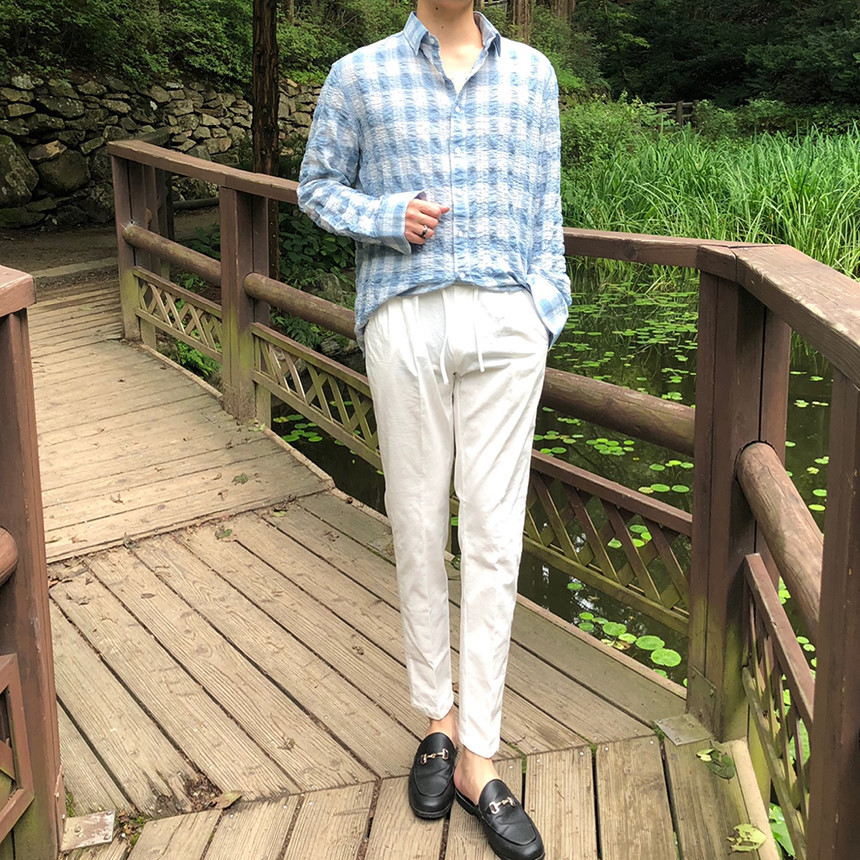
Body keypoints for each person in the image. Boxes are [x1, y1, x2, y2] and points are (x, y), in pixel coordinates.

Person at [298, 2, 570, 858]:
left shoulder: (532, 75)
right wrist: (387, 217)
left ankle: (479, 754)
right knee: (416, 522)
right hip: (405, 315)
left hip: (507, 320)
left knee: (494, 533)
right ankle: (438, 719)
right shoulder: (358, 74)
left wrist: (544, 310)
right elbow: (316, 187)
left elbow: (546, 204)